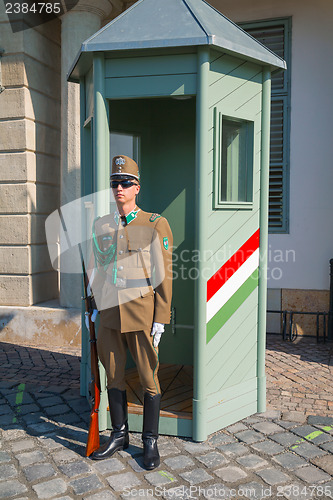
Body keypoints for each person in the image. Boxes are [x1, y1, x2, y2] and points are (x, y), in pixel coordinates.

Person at [86, 155, 173, 470]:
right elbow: (97, 270)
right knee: (113, 374)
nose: (118, 188)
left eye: (124, 183)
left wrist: (161, 317)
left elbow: (164, 274)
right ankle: (120, 435)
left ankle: (149, 440)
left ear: (137, 187)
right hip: (109, 314)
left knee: (149, 379)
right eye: (114, 183)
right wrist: (94, 306)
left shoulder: (154, 223)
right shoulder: (102, 225)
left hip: (141, 313)